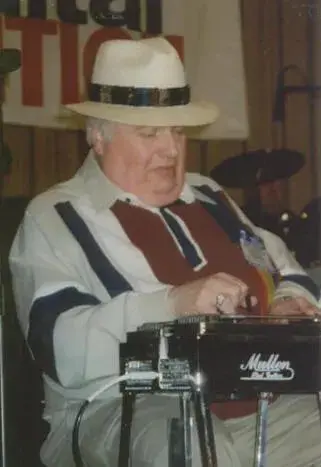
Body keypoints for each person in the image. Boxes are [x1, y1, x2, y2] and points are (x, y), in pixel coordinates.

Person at [9, 37, 321, 467]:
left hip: (260, 409)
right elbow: (60, 347)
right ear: (98, 137)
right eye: (149, 133)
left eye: (177, 131)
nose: (171, 150)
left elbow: (290, 271)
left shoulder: (209, 195)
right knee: (186, 444)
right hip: (124, 410)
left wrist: (288, 300)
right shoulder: (55, 217)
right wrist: (173, 303)